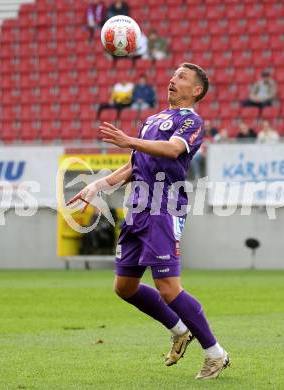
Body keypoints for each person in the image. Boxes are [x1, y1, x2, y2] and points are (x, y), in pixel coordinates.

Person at [67, 63, 230, 380]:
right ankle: (180, 329)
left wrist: (130, 140)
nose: (173, 80)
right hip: (137, 210)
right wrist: (97, 186)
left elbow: (171, 150)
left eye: (182, 77)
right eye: (173, 75)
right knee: (124, 286)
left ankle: (215, 354)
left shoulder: (192, 122)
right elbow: (133, 165)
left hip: (164, 207)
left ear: (196, 90)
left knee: (169, 288)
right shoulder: (151, 121)